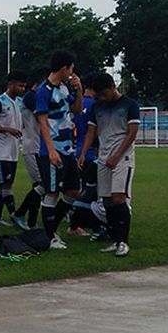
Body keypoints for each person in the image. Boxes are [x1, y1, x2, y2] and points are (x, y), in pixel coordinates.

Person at [78, 73, 139, 257]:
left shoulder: (130, 105)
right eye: (99, 95)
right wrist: (83, 153)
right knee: (106, 200)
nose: (102, 98)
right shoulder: (97, 107)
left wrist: (118, 155)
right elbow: (91, 132)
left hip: (123, 158)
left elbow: (132, 133)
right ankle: (114, 238)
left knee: (119, 197)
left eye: (104, 94)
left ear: (113, 86)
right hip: (103, 158)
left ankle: (123, 241)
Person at [35, 50, 84, 249]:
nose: (72, 72)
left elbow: (77, 110)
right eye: (71, 68)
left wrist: (79, 90)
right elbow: (42, 121)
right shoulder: (43, 91)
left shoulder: (64, 88)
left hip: (68, 149)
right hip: (52, 149)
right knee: (52, 192)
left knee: (73, 190)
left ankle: (52, 228)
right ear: (64, 68)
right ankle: (50, 236)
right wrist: (51, 150)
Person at [0, 70, 29, 230]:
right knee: (6, 184)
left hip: (12, 152)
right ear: (10, 84)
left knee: (4, 184)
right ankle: (15, 215)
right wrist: (7, 129)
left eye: (24, 86)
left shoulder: (19, 102)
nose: (22, 89)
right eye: (20, 85)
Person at [12, 69, 49, 229]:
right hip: (32, 146)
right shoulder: (31, 97)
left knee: (40, 186)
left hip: (37, 146)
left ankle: (31, 221)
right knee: (41, 185)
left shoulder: (33, 97)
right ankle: (20, 214)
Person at [68, 73, 99, 236]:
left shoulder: (78, 103)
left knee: (82, 188)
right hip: (90, 153)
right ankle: (77, 223)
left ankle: (76, 220)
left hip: (77, 150)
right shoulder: (95, 105)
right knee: (90, 190)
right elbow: (95, 131)